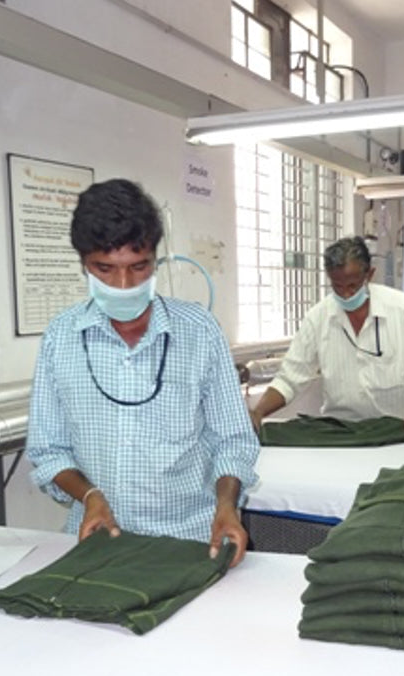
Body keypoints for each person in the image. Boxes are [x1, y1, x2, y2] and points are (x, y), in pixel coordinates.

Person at [25, 179, 259, 567]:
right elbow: (49, 450)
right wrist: (90, 498)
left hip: (192, 542)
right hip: (97, 544)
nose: (123, 285)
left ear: (156, 260)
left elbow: (232, 442)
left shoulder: (198, 331)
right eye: (105, 269)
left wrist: (226, 506)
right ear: (83, 263)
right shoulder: (61, 338)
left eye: (138, 267)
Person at [249, 237, 404, 431]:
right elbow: (289, 379)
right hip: (343, 433)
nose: (346, 294)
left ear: (369, 275)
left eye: (353, 286)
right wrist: (258, 412)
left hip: (401, 429)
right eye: (338, 286)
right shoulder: (318, 318)